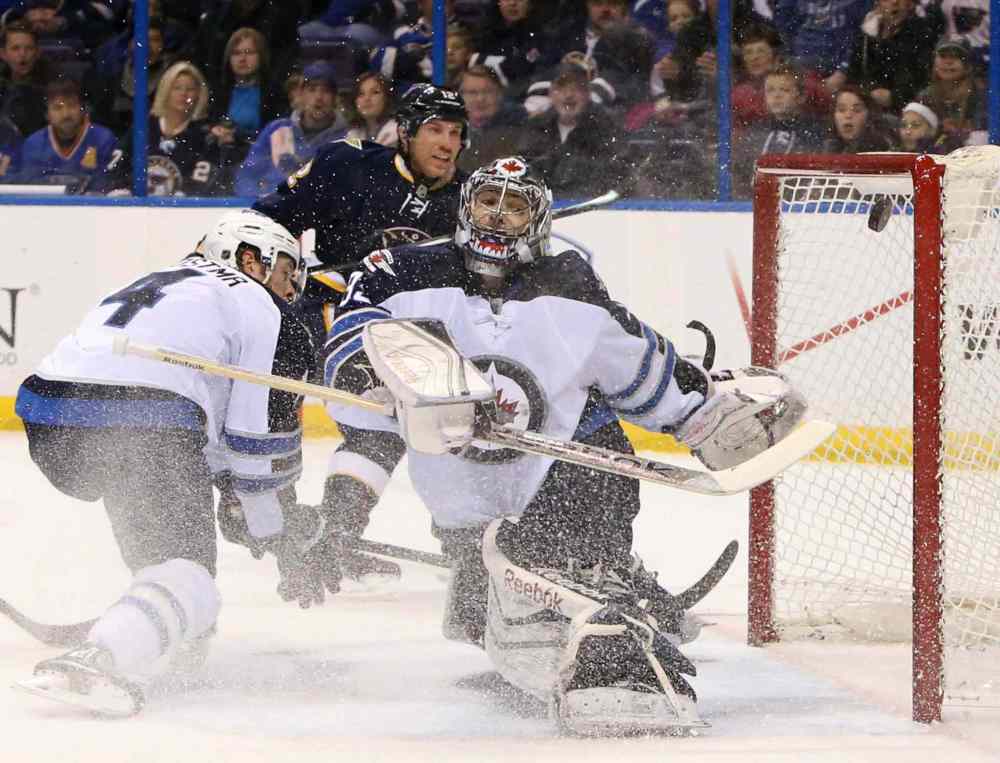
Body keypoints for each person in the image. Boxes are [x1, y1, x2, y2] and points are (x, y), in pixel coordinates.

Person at [314, 156, 805, 734]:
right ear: (464, 207)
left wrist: (704, 415)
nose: (497, 217)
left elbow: (629, 356)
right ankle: (538, 595)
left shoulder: (567, 280)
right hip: (463, 497)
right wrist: (372, 380)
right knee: (504, 611)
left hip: (565, 472)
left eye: (515, 205)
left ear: (538, 219)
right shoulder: (398, 273)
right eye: (486, 202)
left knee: (586, 465)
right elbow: (349, 343)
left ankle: (612, 651)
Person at [10, 210, 331, 717]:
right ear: (250, 258)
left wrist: (236, 501)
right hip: (141, 415)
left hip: (48, 415)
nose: (292, 287)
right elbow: (253, 444)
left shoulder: (164, 279)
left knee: (158, 532)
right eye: (287, 270)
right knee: (191, 572)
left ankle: (161, 620)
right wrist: (277, 531)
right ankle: (107, 652)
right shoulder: (260, 305)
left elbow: (202, 434)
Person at [251, 82, 470, 353]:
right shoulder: (348, 164)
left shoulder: (472, 199)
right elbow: (269, 220)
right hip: (329, 310)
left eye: (454, 133)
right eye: (434, 130)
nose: (446, 144)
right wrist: (275, 271)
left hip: (422, 332)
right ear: (405, 132)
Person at [103, 61, 230, 196]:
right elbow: (116, 167)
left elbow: (200, 183)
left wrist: (180, 199)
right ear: (165, 91)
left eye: (190, 89)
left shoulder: (203, 135)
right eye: (177, 88)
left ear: (199, 94)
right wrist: (122, 189)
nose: (184, 94)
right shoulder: (144, 127)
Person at [233, 61, 345, 198]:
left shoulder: (347, 139)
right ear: (302, 94)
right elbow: (246, 177)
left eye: (326, 91)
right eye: (312, 89)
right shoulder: (276, 130)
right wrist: (261, 198)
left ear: (335, 98)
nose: (319, 97)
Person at [732, 62, 826, 198]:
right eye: (770, 90)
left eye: (784, 90)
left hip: (795, 205)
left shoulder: (812, 131)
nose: (776, 96)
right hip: (751, 204)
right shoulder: (756, 130)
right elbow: (740, 170)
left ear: (801, 97)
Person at [18, 77, 117, 190]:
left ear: (83, 109)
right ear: (47, 114)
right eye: (57, 108)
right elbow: (31, 188)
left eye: (71, 105)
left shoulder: (103, 138)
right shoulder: (34, 144)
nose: (65, 114)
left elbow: (106, 186)